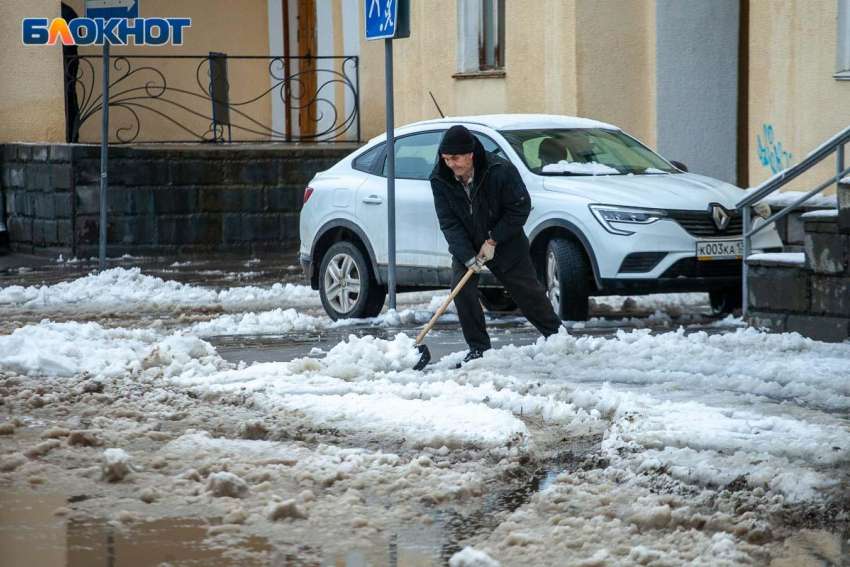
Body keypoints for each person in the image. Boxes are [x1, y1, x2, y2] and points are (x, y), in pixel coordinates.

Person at [429, 125, 565, 368]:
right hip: (467, 244)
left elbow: (520, 208)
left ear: (470, 153)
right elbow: (448, 222)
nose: (451, 164)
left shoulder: (499, 170)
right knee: (462, 292)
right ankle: (479, 349)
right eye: (446, 158)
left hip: (505, 241)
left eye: (456, 158)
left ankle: (557, 337)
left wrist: (493, 240)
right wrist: (467, 255)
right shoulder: (440, 178)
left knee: (527, 292)